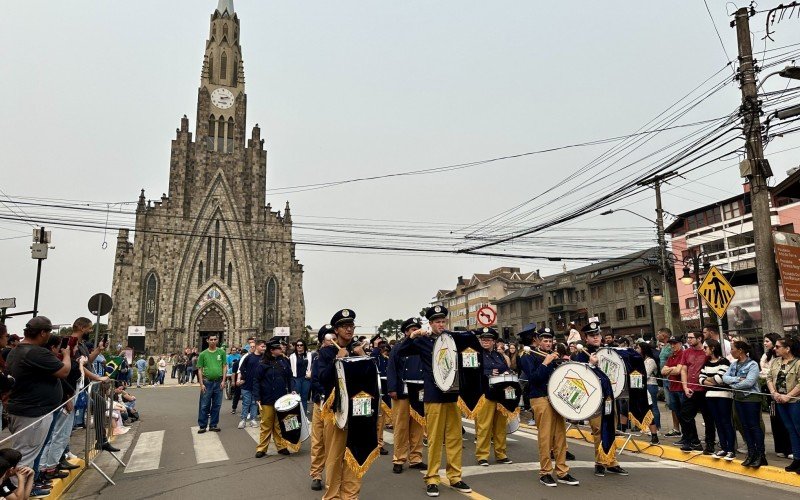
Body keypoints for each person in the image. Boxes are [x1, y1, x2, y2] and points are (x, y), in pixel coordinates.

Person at [397, 306, 472, 497]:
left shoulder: (450, 338)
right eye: (437, 322)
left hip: (452, 393)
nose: (441, 324)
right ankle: (432, 478)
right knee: (435, 438)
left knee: (454, 437)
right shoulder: (422, 341)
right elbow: (400, 352)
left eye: (443, 321)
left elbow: (470, 339)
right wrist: (413, 336)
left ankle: (455, 476)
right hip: (433, 395)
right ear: (430, 323)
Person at [6, 317, 71, 497]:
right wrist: (66, 355)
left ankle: (27, 488)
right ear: (43, 332)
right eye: (48, 332)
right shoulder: (35, 352)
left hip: (25, 410)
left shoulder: (16, 351)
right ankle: (17, 494)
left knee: (24, 454)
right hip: (33, 412)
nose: (49, 336)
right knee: (24, 456)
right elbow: (64, 371)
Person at [317, 309, 371, 500]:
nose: (349, 329)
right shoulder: (326, 352)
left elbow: (369, 379)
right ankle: (332, 495)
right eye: (345, 326)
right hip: (336, 410)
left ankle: (350, 495)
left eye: (351, 326)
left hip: (357, 409)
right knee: (335, 455)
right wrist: (336, 360)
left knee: (355, 453)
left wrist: (363, 356)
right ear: (337, 330)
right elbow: (322, 378)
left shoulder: (358, 349)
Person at [519, 327, 579, 487]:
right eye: (544, 340)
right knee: (545, 437)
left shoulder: (555, 356)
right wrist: (546, 363)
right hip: (540, 397)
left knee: (560, 436)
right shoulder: (528, 355)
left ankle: (562, 471)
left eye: (550, 340)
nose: (547, 343)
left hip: (557, 399)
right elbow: (534, 378)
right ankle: (545, 472)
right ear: (537, 341)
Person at [573, 321, 628, 477]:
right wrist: (590, 365)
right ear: (586, 338)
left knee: (611, 428)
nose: (595, 337)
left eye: (597, 334)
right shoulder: (580, 354)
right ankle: (599, 462)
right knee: (598, 430)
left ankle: (611, 461)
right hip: (594, 399)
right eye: (592, 335)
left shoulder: (608, 352)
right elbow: (579, 378)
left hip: (610, 397)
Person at [386, 318, 426, 475]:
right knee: (401, 427)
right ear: (406, 332)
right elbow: (392, 368)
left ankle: (416, 458)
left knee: (418, 426)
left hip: (420, 390)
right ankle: (399, 459)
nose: (414, 331)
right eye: (411, 329)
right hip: (402, 391)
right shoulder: (398, 347)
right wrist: (392, 388)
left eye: (417, 328)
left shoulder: (424, 346)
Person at [474, 327, 513, 467]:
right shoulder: (475, 354)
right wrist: (489, 372)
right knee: (484, 427)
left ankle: (501, 454)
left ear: (494, 341)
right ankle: (482, 456)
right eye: (483, 339)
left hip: (501, 395)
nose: (485, 341)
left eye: (488, 339)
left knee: (500, 427)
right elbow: (472, 371)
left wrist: (507, 373)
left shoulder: (499, 355)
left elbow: (506, 368)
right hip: (485, 394)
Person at [723, 340, 765, 467]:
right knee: (744, 426)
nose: (731, 351)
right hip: (739, 399)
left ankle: (760, 455)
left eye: (732, 349)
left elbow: (749, 382)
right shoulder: (734, 364)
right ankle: (751, 453)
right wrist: (736, 379)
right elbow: (725, 377)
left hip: (751, 398)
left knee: (754, 426)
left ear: (740, 350)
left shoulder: (752, 364)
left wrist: (733, 386)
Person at [252, 339, 291, 458]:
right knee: (266, 424)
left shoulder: (284, 361)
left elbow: (289, 377)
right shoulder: (263, 363)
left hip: (281, 398)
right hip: (266, 398)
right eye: (278, 348)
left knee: (279, 424)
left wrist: (292, 389)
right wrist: (257, 396)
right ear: (272, 350)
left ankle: (281, 446)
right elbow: (256, 381)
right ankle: (262, 448)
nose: (281, 349)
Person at [677, 331, 715, 454]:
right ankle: (691, 441)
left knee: (708, 418)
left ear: (699, 338)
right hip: (691, 389)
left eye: (691, 338)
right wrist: (685, 387)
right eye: (688, 337)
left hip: (704, 390)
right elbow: (683, 370)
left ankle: (710, 444)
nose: (689, 340)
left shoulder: (706, 352)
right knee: (685, 415)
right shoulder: (686, 352)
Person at [767, 336, 800, 472]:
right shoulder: (775, 362)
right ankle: (797, 459)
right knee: (790, 430)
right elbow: (769, 378)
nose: (775, 349)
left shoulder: (798, 363)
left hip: (795, 402)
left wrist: (788, 396)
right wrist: (774, 393)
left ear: (787, 349)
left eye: (778, 346)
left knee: (798, 429)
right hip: (779, 401)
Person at [699, 339, 735, 460]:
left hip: (724, 396)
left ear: (713, 348)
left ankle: (730, 449)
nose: (704, 350)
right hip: (710, 396)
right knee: (717, 422)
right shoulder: (707, 362)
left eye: (705, 348)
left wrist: (709, 380)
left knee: (726, 421)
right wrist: (710, 381)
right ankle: (724, 448)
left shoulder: (724, 361)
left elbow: (720, 379)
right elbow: (700, 379)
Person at [309, 325, 334, 491]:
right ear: (322, 342)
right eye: (328, 339)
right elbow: (316, 380)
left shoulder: (341, 355)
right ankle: (317, 474)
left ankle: (333, 476)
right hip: (321, 403)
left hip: (336, 405)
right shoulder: (318, 358)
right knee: (318, 440)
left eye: (333, 338)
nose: (331, 342)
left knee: (333, 442)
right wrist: (325, 396)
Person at [760, 333, 792, 458]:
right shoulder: (767, 356)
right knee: (775, 420)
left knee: (787, 422)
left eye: (767, 341)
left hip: (786, 394)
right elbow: (766, 375)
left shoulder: (786, 360)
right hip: (772, 394)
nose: (765, 344)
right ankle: (780, 447)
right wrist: (773, 392)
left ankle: (790, 449)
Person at [196, 335, 227, 433]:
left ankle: (213, 425)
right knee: (204, 405)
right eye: (211, 340)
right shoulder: (203, 354)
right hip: (207, 382)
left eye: (215, 339)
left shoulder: (221, 352)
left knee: (217, 405)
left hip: (218, 382)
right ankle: (202, 425)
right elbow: (199, 369)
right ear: (207, 341)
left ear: (217, 340)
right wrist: (201, 384)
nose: (213, 341)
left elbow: (224, 366)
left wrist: (223, 380)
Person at [635, 341, 660, 444]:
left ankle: (656, 429)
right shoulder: (639, 360)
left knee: (652, 407)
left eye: (638, 348)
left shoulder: (650, 361)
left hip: (650, 385)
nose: (636, 350)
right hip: (641, 386)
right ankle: (647, 427)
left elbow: (646, 374)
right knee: (645, 408)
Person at [661, 336, 685, 444]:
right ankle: (678, 430)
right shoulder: (671, 356)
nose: (672, 345)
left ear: (680, 343)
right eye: (671, 344)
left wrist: (669, 370)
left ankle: (686, 434)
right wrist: (672, 369)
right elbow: (662, 371)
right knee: (675, 410)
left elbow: (678, 371)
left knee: (684, 412)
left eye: (675, 343)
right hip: (673, 387)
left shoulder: (683, 354)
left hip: (681, 388)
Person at [237, 340, 265, 428]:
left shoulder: (264, 358)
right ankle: (243, 419)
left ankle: (253, 419)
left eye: (264, 347)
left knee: (254, 403)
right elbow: (241, 368)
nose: (264, 348)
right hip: (247, 384)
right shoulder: (249, 357)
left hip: (257, 385)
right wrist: (243, 378)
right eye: (262, 346)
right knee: (246, 402)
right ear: (257, 346)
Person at [289, 340, 312, 414]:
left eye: (301, 345)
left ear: (304, 346)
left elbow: (312, 365)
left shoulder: (309, 354)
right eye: (297, 345)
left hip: (306, 379)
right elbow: (290, 369)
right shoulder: (292, 356)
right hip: (296, 379)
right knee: (295, 398)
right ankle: (296, 416)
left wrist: (310, 373)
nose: (299, 346)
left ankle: (304, 416)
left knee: (304, 398)